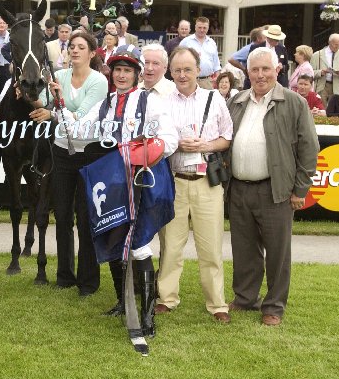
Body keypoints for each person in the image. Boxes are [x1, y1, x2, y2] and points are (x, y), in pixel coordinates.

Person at [78, 46, 178, 335]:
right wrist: (58, 112)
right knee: (116, 238)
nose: (122, 75)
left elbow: (169, 139)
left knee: (139, 245)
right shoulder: (105, 104)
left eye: (127, 70)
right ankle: (123, 302)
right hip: (113, 181)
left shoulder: (151, 103)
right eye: (118, 70)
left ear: (137, 74)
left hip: (143, 181)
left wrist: (142, 152)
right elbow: (81, 130)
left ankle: (147, 317)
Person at [226, 47, 319, 326]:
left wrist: (300, 189)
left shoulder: (293, 102)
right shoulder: (237, 101)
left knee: (278, 252)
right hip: (239, 188)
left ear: (277, 70)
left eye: (266, 69)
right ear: (247, 72)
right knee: (243, 249)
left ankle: (274, 306)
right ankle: (245, 298)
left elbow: (309, 148)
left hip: (275, 190)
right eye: (255, 69)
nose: (260, 75)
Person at [154, 47, 233, 324]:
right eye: (177, 70)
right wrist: (174, 145)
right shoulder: (163, 102)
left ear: (198, 70)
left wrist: (206, 145)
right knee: (171, 246)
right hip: (174, 182)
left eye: (187, 69)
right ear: (170, 72)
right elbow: (157, 140)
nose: (182, 75)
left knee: (210, 247)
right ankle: (166, 297)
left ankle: (217, 303)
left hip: (206, 184)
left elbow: (227, 137)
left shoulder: (214, 98)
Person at [29, 31, 107, 296]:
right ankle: (65, 275)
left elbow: (81, 115)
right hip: (62, 152)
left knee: (85, 218)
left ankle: (88, 281)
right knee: (62, 214)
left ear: (92, 53)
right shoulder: (59, 76)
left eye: (81, 47)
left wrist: (53, 109)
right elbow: (44, 103)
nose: (74, 50)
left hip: (90, 153)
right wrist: (30, 92)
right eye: (72, 46)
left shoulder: (99, 82)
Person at [179, 17, 219, 89]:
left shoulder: (212, 43)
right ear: (195, 27)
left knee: (208, 100)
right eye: (199, 27)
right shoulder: (185, 42)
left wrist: (217, 78)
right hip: (190, 80)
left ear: (208, 28)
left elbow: (216, 64)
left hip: (208, 81)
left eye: (204, 28)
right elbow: (178, 61)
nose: (202, 30)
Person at [311, 33, 339, 107]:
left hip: (337, 86)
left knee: (334, 109)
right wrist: (321, 72)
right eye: (335, 44)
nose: (337, 47)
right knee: (321, 108)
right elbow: (310, 72)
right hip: (322, 85)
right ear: (329, 42)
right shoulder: (317, 55)